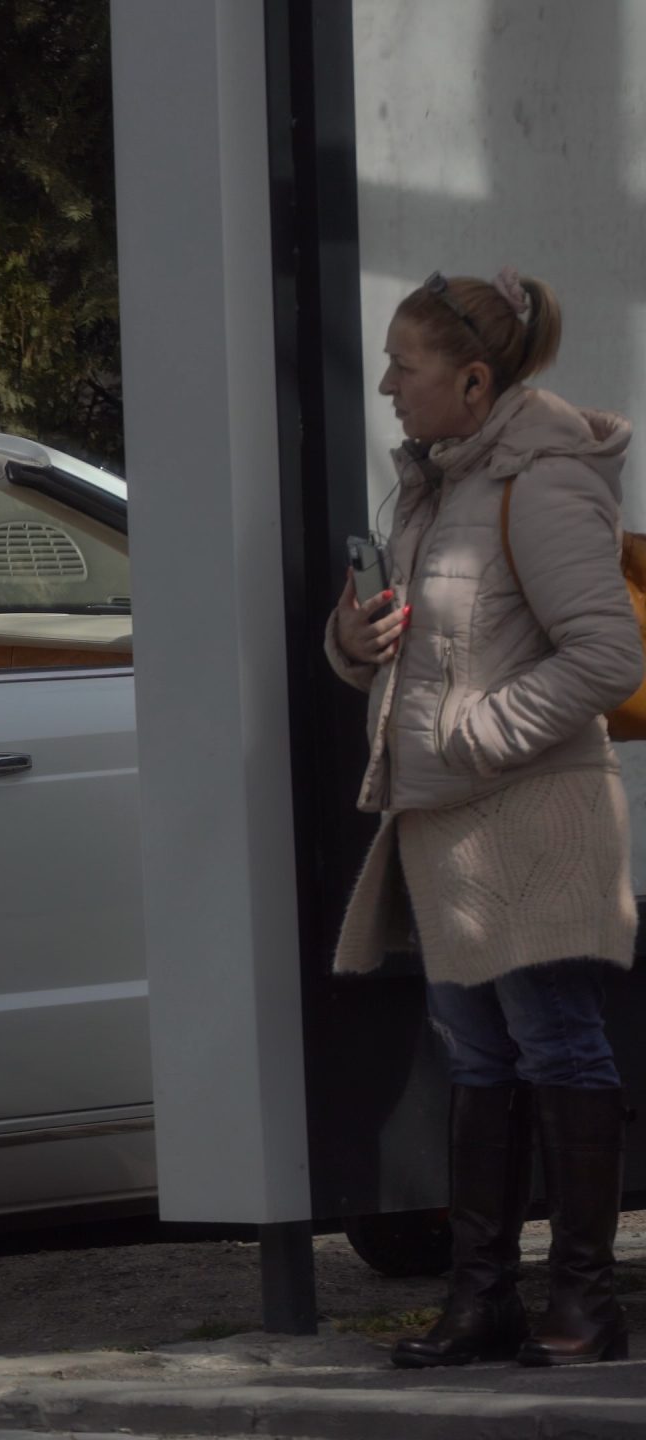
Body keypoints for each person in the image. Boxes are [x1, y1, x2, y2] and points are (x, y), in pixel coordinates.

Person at [328, 268, 640, 1368]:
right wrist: (353, 640)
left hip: (530, 818)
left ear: (471, 381)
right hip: (450, 829)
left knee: (555, 1042)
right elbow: (430, 646)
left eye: (402, 367)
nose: (386, 386)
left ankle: (585, 1305)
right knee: (477, 1055)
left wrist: (474, 734)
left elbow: (608, 656)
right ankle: (482, 1302)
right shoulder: (433, 486)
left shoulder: (541, 485)